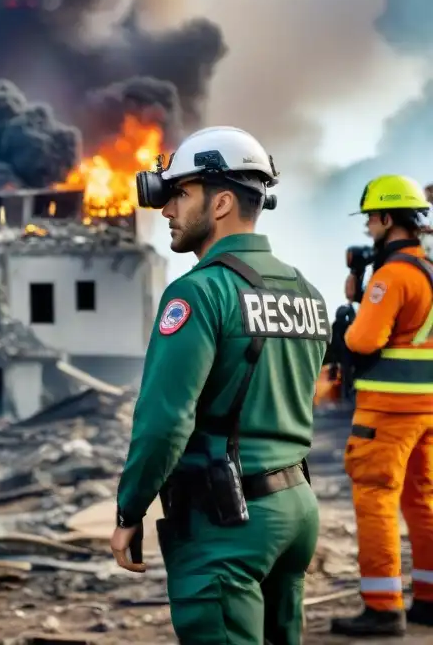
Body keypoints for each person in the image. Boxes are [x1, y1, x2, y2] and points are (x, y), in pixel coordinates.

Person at [110, 126, 329, 645]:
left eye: (181, 194)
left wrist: (130, 510)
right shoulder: (307, 293)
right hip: (295, 511)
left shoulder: (199, 293)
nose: (167, 210)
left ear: (223, 202)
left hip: (225, 527)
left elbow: (165, 421)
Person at [322, 174, 433, 637]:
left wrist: (355, 312)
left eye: (371, 220)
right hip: (427, 411)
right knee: (423, 502)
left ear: (388, 219)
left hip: (387, 414)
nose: (368, 229)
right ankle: (429, 598)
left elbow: (363, 338)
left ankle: (383, 607)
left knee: (375, 501)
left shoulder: (392, 278)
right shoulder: (428, 271)